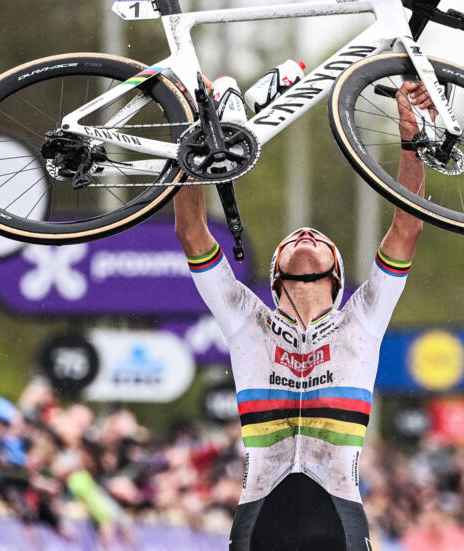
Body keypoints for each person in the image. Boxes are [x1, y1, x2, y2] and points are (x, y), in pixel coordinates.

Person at [175, 80, 435, 551]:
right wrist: (195, 140)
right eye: (294, 239)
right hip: (261, 513)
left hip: (337, 512)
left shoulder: (363, 319)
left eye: (315, 238)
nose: (305, 235)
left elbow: (408, 226)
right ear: (276, 276)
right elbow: (191, 231)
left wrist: (409, 131)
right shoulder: (245, 319)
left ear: (335, 275)